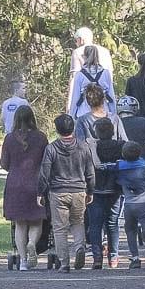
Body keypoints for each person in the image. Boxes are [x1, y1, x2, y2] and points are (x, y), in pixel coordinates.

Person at [38, 114, 95, 273]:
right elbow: (90, 172)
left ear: (57, 130)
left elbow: (45, 173)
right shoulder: (83, 146)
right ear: (73, 128)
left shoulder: (51, 148)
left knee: (60, 228)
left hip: (58, 192)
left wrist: (40, 193)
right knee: (78, 222)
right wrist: (90, 190)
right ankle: (79, 247)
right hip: (78, 191)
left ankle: (64, 263)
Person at [0, 105, 50, 270]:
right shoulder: (41, 138)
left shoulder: (9, 139)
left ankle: (22, 261)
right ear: (32, 118)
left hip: (15, 184)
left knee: (20, 224)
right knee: (37, 221)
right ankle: (32, 243)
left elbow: (4, 163)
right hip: (36, 184)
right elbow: (46, 162)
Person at [106, 141, 145, 268]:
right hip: (144, 203)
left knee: (130, 230)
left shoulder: (120, 167)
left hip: (129, 204)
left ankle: (135, 257)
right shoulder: (142, 166)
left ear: (123, 154)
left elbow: (109, 169)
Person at [86, 118, 125, 269]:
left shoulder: (91, 147)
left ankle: (97, 257)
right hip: (114, 189)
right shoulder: (120, 146)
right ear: (112, 131)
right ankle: (113, 257)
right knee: (112, 223)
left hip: (95, 190)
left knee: (95, 224)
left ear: (96, 132)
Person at [67, 27, 114, 111]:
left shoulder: (77, 52)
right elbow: (110, 79)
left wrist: (70, 106)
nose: (76, 43)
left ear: (81, 39)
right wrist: (113, 111)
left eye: (76, 40)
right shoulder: (105, 51)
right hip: (103, 104)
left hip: (85, 105)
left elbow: (74, 80)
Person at [116, 95, 145, 179]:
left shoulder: (115, 123)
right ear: (135, 108)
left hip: (120, 161)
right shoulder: (143, 122)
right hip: (141, 161)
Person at [69, 45, 116, 118]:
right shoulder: (105, 73)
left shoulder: (80, 75)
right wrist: (114, 114)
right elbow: (111, 96)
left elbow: (75, 98)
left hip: (83, 113)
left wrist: (71, 116)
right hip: (103, 113)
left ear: (84, 57)